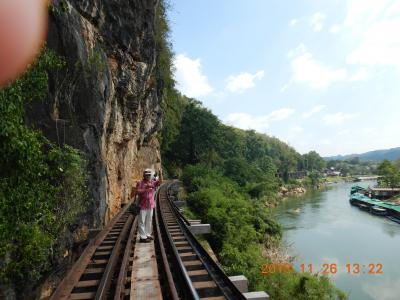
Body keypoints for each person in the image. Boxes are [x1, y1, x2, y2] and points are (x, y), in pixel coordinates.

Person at [135, 168, 162, 242]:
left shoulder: (152, 182)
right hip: (142, 205)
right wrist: (145, 189)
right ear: (144, 175)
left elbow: (160, 182)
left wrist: (160, 173)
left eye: (149, 175)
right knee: (142, 221)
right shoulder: (140, 183)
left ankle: (147, 234)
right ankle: (143, 237)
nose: (148, 176)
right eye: (147, 174)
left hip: (151, 205)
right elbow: (137, 191)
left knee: (149, 220)